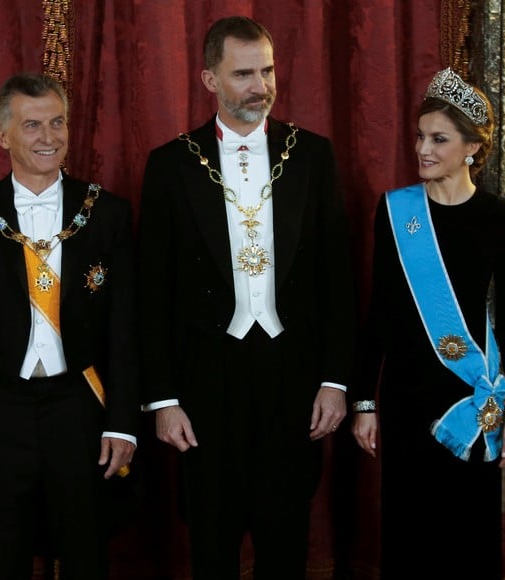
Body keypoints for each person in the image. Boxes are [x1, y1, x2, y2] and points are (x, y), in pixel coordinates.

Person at [137, 16, 356, 579]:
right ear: (209, 79)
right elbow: (152, 290)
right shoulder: (171, 164)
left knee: (286, 542)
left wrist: (335, 380)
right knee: (211, 542)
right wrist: (162, 399)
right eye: (243, 74)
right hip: (206, 379)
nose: (260, 85)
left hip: (294, 376)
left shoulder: (312, 156)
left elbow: (338, 279)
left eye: (267, 70)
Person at [0, 72, 139, 580]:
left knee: (85, 550)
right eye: (32, 125)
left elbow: (125, 327)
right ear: (3, 135)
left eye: (57, 122)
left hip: (80, 407)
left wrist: (121, 421)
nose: (49, 137)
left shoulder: (108, 213)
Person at [351, 68, 505, 579]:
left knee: (467, 537)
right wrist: (365, 401)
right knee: (410, 537)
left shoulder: (501, 216)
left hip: (473, 398)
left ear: (471, 147)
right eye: (420, 135)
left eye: (438, 139)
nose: (422, 148)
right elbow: (379, 311)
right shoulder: (396, 211)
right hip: (407, 397)